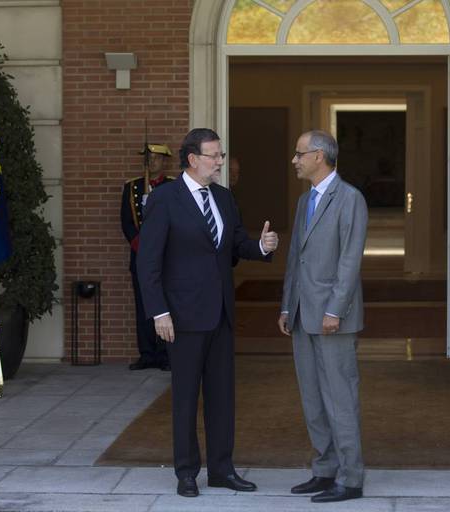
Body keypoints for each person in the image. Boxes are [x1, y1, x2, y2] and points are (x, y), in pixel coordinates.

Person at [136, 128, 279, 498]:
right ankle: (186, 472)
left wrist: (261, 247)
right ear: (192, 159)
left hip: (221, 316)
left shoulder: (224, 198)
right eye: (214, 156)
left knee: (222, 398)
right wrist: (158, 312)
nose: (220, 162)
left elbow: (234, 245)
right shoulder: (165, 199)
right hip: (180, 318)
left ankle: (221, 470)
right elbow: (147, 263)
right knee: (185, 398)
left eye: (220, 155)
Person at [277, 130, 368, 503]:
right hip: (301, 315)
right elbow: (295, 258)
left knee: (340, 398)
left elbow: (350, 260)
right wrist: (287, 305)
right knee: (313, 398)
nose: (295, 160)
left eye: (299, 154)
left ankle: (350, 477)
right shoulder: (304, 202)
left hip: (333, 318)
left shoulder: (350, 199)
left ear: (319, 156)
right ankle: (324, 469)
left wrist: (335, 309)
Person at [121, 143, 173, 371]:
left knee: (166, 304)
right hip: (141, 256)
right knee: (142, 305)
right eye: (148, 158)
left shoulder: (173, 186)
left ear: (164, 161)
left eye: (156, 158)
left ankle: (165, 354)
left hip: (167, 258)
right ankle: (147, 353)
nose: (151, 162)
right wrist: (143, 248)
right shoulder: (132, 187)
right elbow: (126, 222)